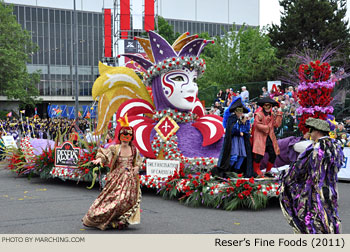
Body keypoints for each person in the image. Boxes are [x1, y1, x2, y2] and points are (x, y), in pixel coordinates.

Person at [279, 117, 344, 234]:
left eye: (311, 131)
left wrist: (286, 177)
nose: (310, 134)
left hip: (314, 192)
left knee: (312, 219)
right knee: (329, 216)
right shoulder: (336, 146)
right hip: (330, 190)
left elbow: (299, 169)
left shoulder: (314, 149)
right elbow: (339, 164)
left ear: (317, 131)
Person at [82, 115, 142, 230]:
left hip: (130, 180)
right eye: (123, 135)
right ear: (120, 136)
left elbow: (138, 162)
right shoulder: (115, 148)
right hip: (117, 178)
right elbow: (105, 154)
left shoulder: (134, 150)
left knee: (126, 200)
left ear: (131, 137)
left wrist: (136, 168)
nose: (126, 137)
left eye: (128, 135)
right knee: (114, 199)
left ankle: (120, 219)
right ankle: (97, 218)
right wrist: (99, 159)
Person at [212, 97, 254, 178]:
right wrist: (239, 129)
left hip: (241, 141)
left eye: (241, 111)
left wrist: (245, 123)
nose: (240, 113)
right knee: (234, 156)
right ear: (235, 111)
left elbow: (246, 130)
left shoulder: (244, 119)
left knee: (242, 156)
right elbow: (231, 130)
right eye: (238, 111)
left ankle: (235, 172)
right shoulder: (231, 118)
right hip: (233, 140)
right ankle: (228, 171)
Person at [251, 97, 283, 177]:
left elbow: (276, 125)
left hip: (270, 137)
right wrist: (267, 128)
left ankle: (268, 171)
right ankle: (256, 170)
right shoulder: (259, 114)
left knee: (273, 154)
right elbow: (257, 125)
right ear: (263, 106)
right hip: (260, 137)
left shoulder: (272, 114)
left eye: (270, 106)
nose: (268, 107)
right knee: (259, 155)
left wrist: (279, 115)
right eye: (266, 105)